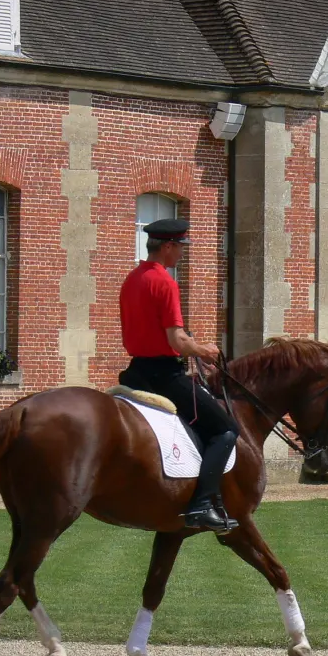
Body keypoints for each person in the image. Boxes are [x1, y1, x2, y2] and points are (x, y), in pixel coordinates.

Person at [118, 218, 240, 533]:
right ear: (169, 246)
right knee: (226, 429)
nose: (182, 254)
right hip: (163, 375)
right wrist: (204, 350)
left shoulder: (132, 278)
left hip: (136, 373)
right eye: (181, 247)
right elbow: (177, 340)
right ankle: (201, 505)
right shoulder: (165, 282)